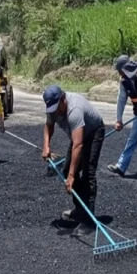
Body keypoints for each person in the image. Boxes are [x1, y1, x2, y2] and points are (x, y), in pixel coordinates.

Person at [41, 85, 105, 236]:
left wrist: (71, 176)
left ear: (63, 99)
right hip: (78, 137)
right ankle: (79, 209)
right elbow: (48, 126)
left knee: (87, 174)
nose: (55, 112)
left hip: (94, 132)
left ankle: (88, 221)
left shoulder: (74, 110)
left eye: (57, 107)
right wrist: (46, 146)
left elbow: (78, 144)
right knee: (66, 169)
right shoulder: (53, 108)